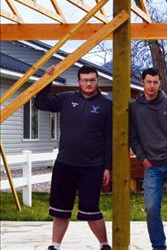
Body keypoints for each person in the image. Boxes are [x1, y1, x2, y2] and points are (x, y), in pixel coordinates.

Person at [34, 65, 112, 250]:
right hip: (65, 163)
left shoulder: (106, 105)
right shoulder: (66, 99)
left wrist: (107, 167)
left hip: (92, 166)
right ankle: (55, 245)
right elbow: (40, 103)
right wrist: (47, 79)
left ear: (97, 81)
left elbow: (109, 138)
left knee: (91, 210)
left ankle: (104, 245)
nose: (88, 83)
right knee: (60, 210)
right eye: (85, 80)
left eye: (92, 80)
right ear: (78, 81)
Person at [129, 68, 167, 250]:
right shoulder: (134, 108)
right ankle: (158, 246)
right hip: (152, 167)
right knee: (151, 208)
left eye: (155, 82)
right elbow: (133, 137)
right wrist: (143, 158)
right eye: (148, 82)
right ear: (142, 82)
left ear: (160, 83)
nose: (152, 86)